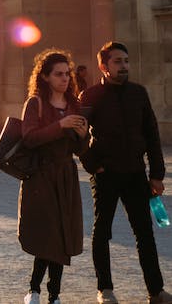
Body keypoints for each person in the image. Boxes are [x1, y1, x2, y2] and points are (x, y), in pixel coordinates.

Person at [79, 41, 172, 304]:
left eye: (126, 61)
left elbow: (152, 135)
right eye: (118, 61)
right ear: (103, 66)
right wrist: (92, 164)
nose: (124, 66)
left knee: (145, 233)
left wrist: (156, 174)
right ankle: (105, 289)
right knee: (102, 232)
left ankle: (156, 291)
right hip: (106, 173)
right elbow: (78, 135)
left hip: (135, 173)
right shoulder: (91, 96)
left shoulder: (138, 93)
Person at [19, 49, 88, 304]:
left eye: (67, 74)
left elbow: (80, 150)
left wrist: (83, 136)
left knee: (61, 235)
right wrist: (60, 126)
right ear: (45, 77)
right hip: (41, 176)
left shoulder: (74, 105)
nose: (65, 79)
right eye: (58, 74)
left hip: (66, 176)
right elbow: (29, 138)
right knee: (46, 234)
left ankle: (53, 294)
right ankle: (35, 289)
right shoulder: (35, 103)